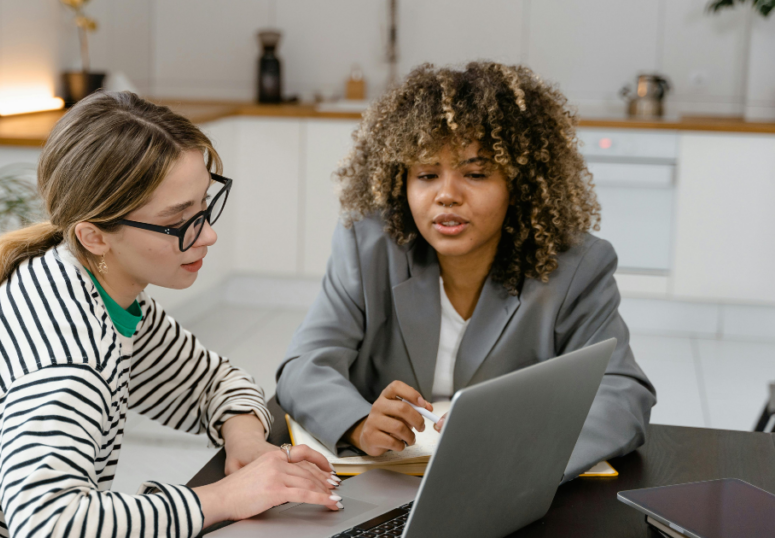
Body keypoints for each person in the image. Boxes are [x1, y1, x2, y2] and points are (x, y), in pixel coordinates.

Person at [0, 91, 343, 538]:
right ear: (94, 236)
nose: (207, 235)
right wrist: (223, 498)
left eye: (204, 207)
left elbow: (213, 382)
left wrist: (248, 442)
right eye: (179, 222)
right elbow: (52, 524)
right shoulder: (62, 351)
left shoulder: (103, 295)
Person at [275, 62, 656, 481]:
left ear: (519, 182)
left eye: (475, 173)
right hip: (381, 484)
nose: (447, 196)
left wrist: (521, 453)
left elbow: (623, 395)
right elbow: (304, 365)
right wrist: (358, 423)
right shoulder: (368, 246)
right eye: (426, 174)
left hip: (504, 492)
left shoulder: (575, 265)